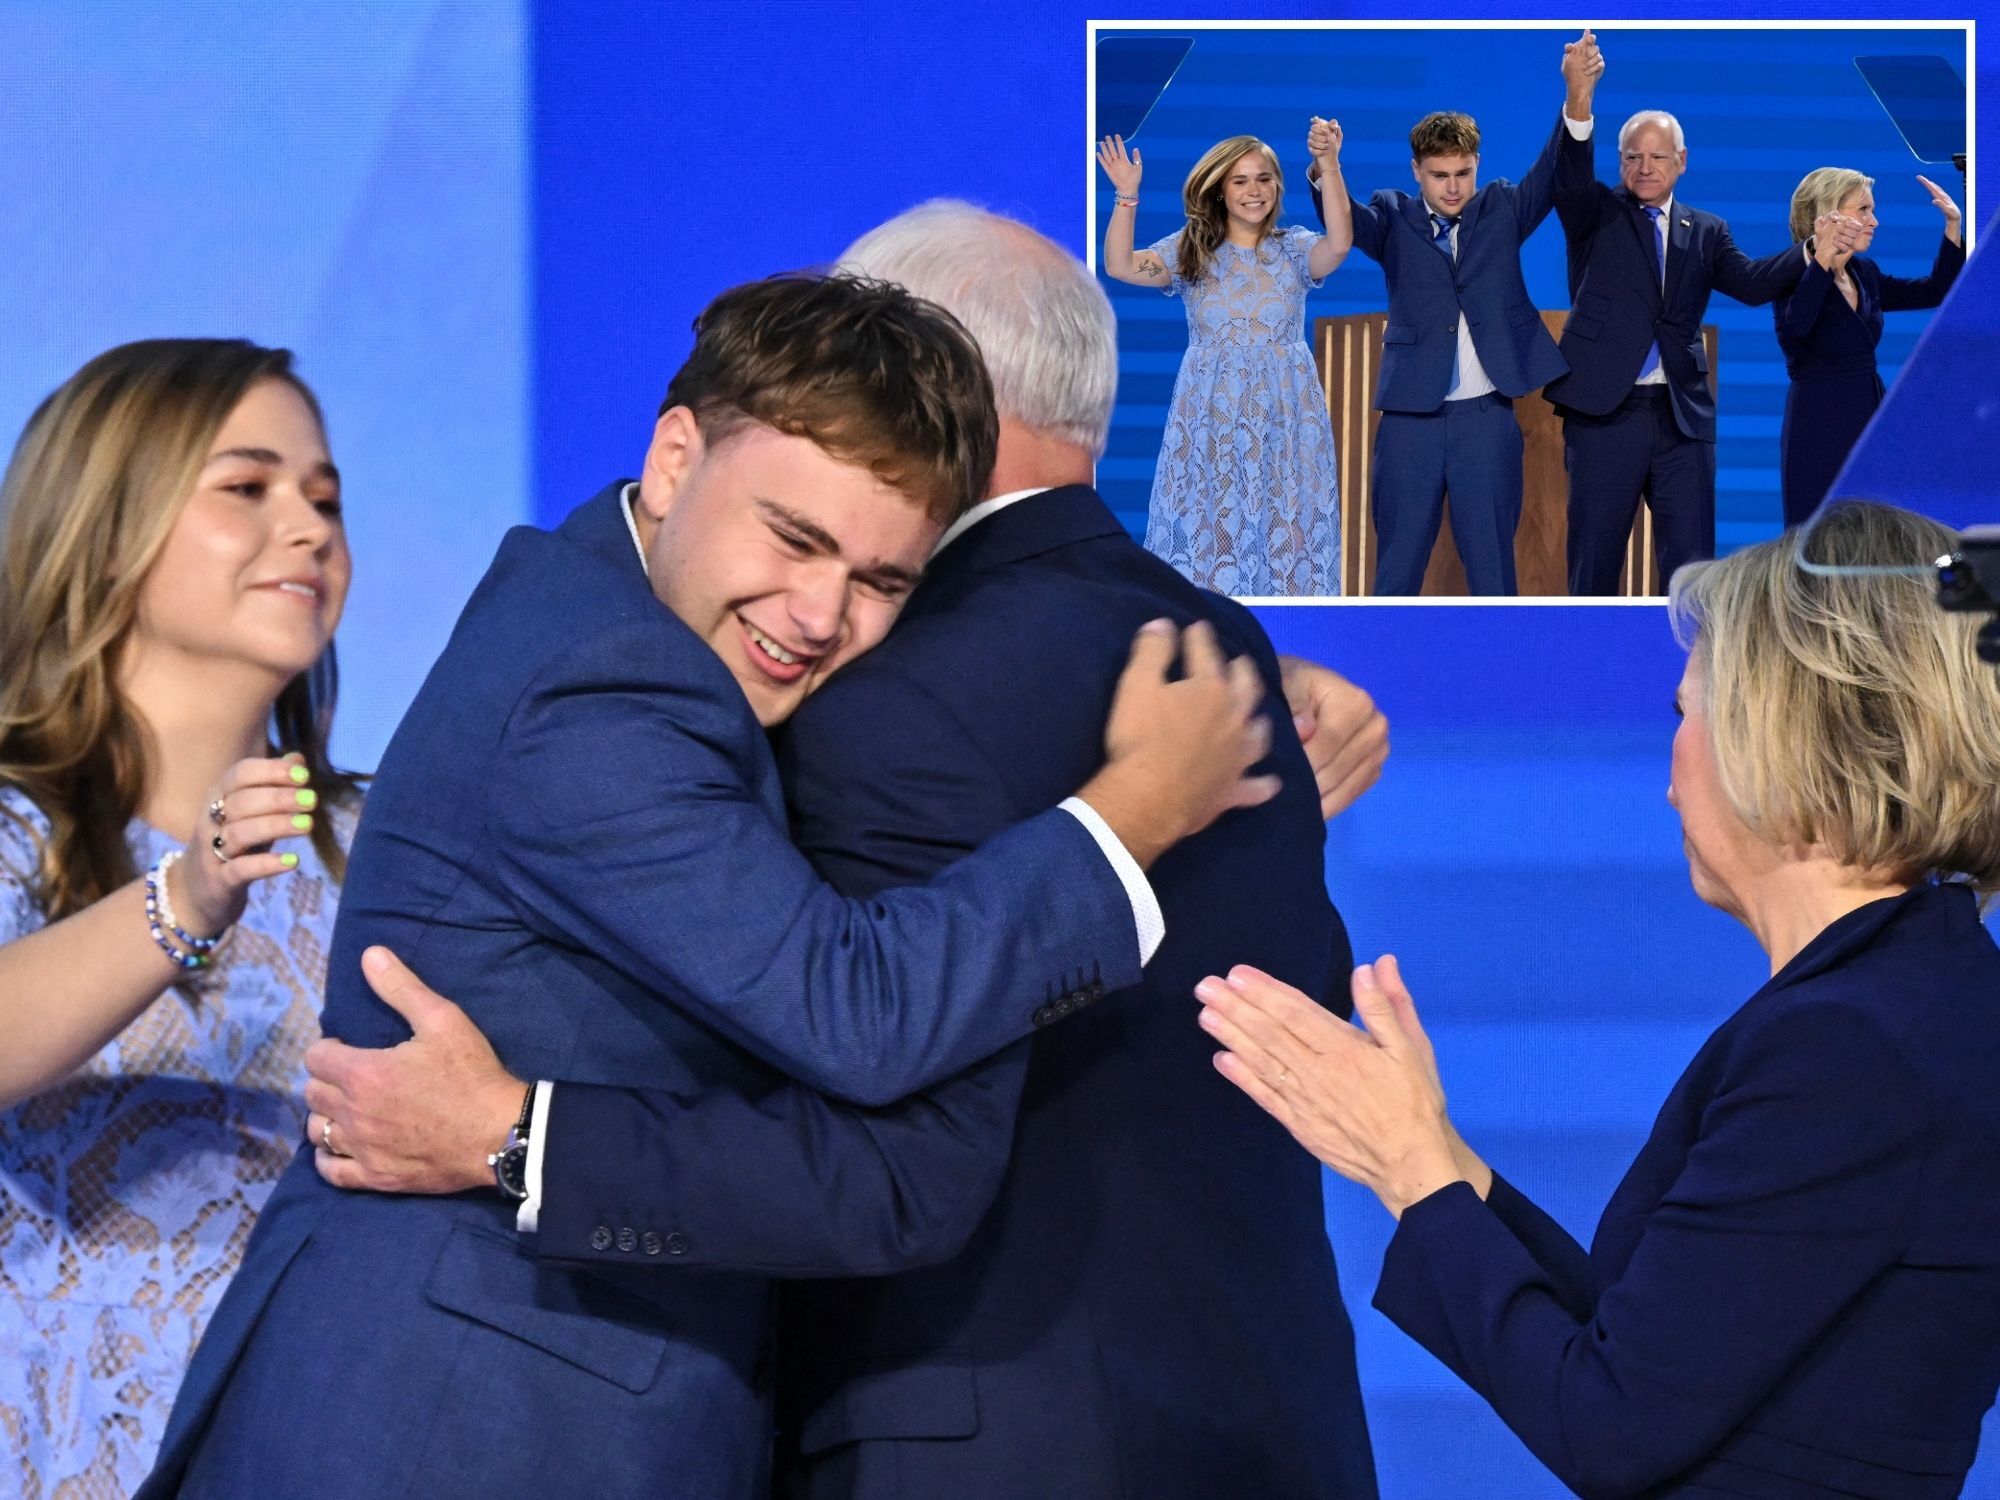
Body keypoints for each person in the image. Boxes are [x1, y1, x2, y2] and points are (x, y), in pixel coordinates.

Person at [288, 201, 1388, 1499]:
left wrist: (509, 1139)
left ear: (934, 401)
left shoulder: (889, 688)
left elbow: (889, 1132)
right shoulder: (1221, 656)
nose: (824, 615)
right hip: (1273, 1432)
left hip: (973, 1453)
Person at [1199, 499, 2000, 1498]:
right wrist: (1438, 1158)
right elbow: (1655, 1335)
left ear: (1783, 736)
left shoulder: (1848, 1046)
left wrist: (1408, 1170)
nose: (1668, 768)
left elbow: (1611, 1421)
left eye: (1685, 714)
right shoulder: (1909, 994)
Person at [0, 339, 359, 1495]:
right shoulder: (16, 823)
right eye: (246, 488)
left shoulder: (385, 850)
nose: (306, 528)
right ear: (108, 528)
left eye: (324, 498)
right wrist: (186, 898)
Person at [1302, 33, 1590, 597]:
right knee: (1397, 571)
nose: (1453, 186)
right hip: (1411, 419)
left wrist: (1576, 95)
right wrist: (1327, 167)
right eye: (1440, 175)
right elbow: (1346, 225)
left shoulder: (1504, 207)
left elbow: (1554, 169)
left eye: (1462, 172)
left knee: (1494, 574)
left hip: (1486, 419)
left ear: (1477, 164)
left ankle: (1502, 678)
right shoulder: (1391, 215)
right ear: (1417, 170)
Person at [1547, 36, 1815, 595]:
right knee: (1593, 568)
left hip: (1682, 420)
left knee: (1693, 577)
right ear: (1620, 162)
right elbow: (1570, 175)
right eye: (1632, 157)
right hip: (1604, 414)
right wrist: (1579, 99)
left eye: (1657, 156)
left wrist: (1812, 249)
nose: (1645, 168)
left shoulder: (1707, 229)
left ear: (1681, 162)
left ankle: (1692, 679)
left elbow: (1750, 283)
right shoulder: (1594, 212)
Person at [1099, 130, 1351, 596]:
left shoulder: (1294, 250)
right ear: (1219, 189)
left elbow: (1338, 244)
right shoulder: (1190, 251)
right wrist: (1126, 194)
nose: (1253, 191)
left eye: (1263, 179)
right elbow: (1119, 266)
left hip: (1286, 417)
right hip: (1212, 416)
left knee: (1288, 531)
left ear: (1277, 186)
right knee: (1213, 531)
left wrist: (1329, 165)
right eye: (1239, 181)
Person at [1774, 168, 1964, 525]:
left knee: (1873, 533)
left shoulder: (1865, 274)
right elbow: (1798, 326)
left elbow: (1934, 291)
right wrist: (1823, 259)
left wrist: (1953, 226)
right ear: (1829, 213)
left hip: (1868, 415)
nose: (1873, 221)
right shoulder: (1790, 273)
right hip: (1819, 424)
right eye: (1863, 210)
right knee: (1819, 535)